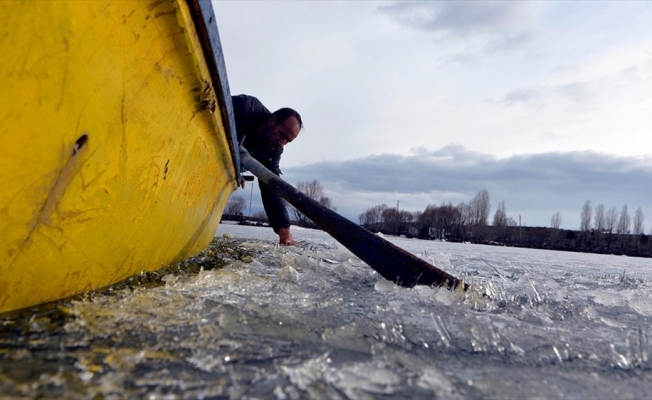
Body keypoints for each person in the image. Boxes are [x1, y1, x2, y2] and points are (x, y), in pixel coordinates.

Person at [232, 94, 302, 246]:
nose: (282, 144)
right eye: (282, 135)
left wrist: (284, 231)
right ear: (272, 121)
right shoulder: (245, 107)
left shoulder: (273, 152)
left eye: (287, 141)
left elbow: (270, 186)